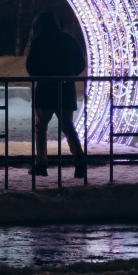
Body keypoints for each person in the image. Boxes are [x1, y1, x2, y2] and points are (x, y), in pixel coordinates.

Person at [25, 11, 87, 178]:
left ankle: (41, 164)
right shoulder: (69, 40)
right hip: (66, 90)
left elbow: (30, 66)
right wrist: (69, 76)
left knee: (40, 127)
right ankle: (80, 161)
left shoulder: (38, 41)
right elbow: (81, 63)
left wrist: (40, 77)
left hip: (45, 90)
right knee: (68, 127)